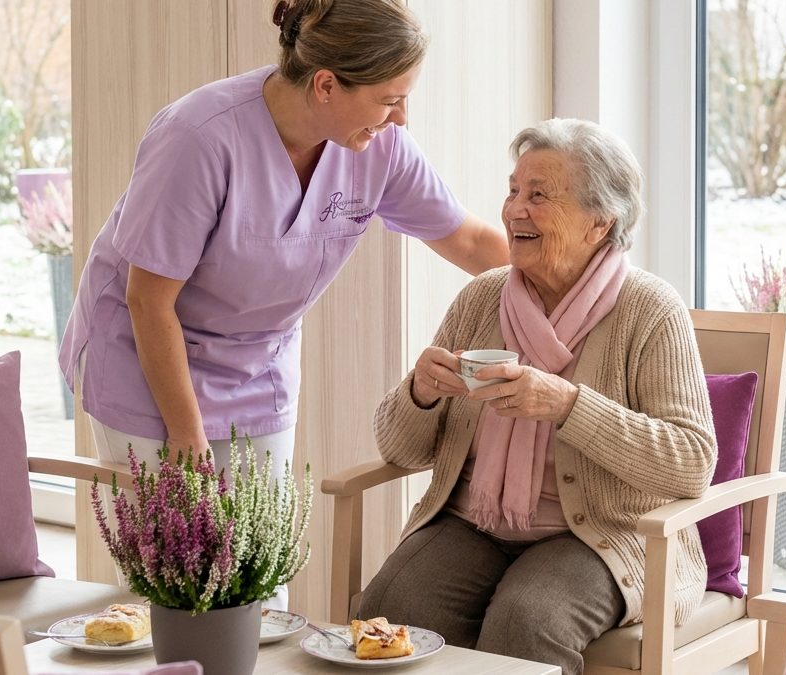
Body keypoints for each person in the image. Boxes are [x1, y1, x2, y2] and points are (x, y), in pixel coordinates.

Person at [58, 0, 508, 606]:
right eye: (389, 98)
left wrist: (596, 282)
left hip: (257, 365)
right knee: (174, 585)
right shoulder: (199, 137)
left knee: (259, 575)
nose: (401, 117)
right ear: (326, 84)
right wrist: (187, 436)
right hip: (144, 357)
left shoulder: (378, 147)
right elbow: (147, 300)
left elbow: (471, 240)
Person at [358, 118, 717, 674]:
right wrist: (421, 393)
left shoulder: (650, 309)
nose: (513, 210)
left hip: (600, 534)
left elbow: (691, 462)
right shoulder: (481, 299)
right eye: (513, 191)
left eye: (539, 196)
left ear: (599, 223)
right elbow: (399, 449)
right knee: (390, 607)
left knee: (526, 620)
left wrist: (568, 406)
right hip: (472, 522)